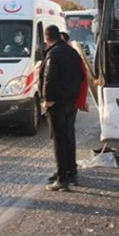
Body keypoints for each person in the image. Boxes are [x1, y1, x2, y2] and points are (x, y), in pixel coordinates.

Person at [39, 25, 84, 192]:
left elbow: (48, 78)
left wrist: (48, 99)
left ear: (47, 39)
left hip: (57, 103)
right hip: (72, 102)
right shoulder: (72, 53)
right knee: (69, 137)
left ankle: (61, 179)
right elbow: (80, 76)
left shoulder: (53, 54)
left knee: (58, 140)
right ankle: (72, 172)